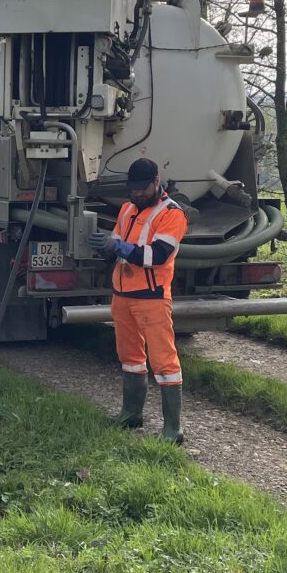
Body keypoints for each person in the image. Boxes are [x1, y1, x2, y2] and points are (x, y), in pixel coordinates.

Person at [88, 158, 188, 443]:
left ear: (157, 182)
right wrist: (105, 248)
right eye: (133, 190)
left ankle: (173, 429)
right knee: (130, 358)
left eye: (142, 189)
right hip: (122, 295)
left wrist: (117, 246)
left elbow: (158, 255)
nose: (137, 194)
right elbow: (118, 246)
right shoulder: (127, 209)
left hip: (151, 297)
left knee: (164, 362)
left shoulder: (172, 214)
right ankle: (131, 414)